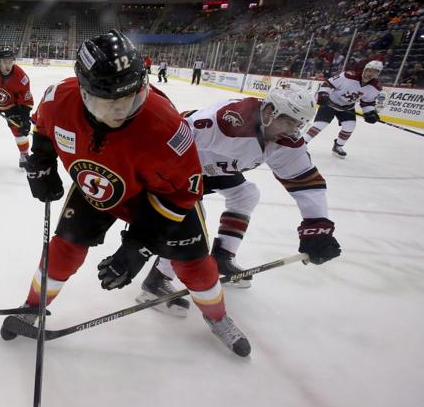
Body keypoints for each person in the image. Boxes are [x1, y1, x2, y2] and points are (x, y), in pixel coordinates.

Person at [2, 30, 251, 357]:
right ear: (84, 92)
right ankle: (32, 307)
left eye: (131, 98)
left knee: (195, 266)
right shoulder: (57, 99)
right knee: (63, 250)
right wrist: (41, 161)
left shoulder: (166, 127)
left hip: (160, 198)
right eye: (110, 102)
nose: (121, 110)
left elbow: (181, 194)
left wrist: (140, 245)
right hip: (98, 183)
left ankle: (217, 317)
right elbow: (43, 128)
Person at [137, 87, 341, 315]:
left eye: (299, 124)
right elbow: (173, 138)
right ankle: (157, 279)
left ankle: (223, 256)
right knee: (191, 223)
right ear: (270, 112)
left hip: (216, 167)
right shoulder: (224, 120)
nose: (293, 131)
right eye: (289, 122)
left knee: (246, 195)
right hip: (181, 167)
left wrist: (318, 227)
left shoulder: (286, 141)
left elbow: (305, 182)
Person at [303, 60, 383, 158]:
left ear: (378, 74)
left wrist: (370, 113)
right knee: (319, 125)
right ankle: (302, 144)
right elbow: (328, 84)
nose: (370, 74)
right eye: (369, 70)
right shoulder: (348, 76)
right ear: (365, 69)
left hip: (347, 107)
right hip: (330, 103)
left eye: (374, 72)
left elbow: (367, 102)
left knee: (349, 126)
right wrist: (323, 94)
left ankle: (338, 146)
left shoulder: (375, 87)